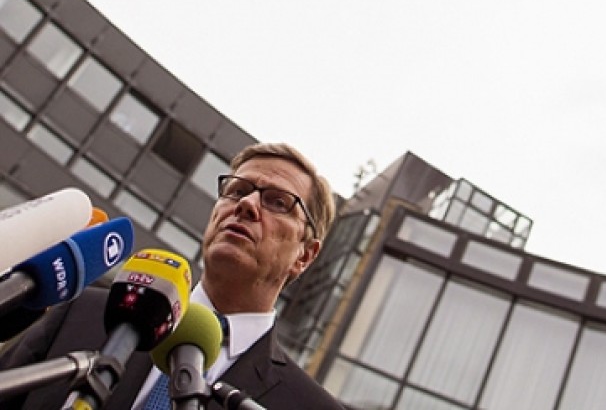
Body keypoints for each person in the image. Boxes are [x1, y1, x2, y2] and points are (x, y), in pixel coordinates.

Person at [0, 142, 348, 410]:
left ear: (305, 254)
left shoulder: (308, 404)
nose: (247, 205)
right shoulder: (84, 311)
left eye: (277, 202)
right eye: (238, 191)